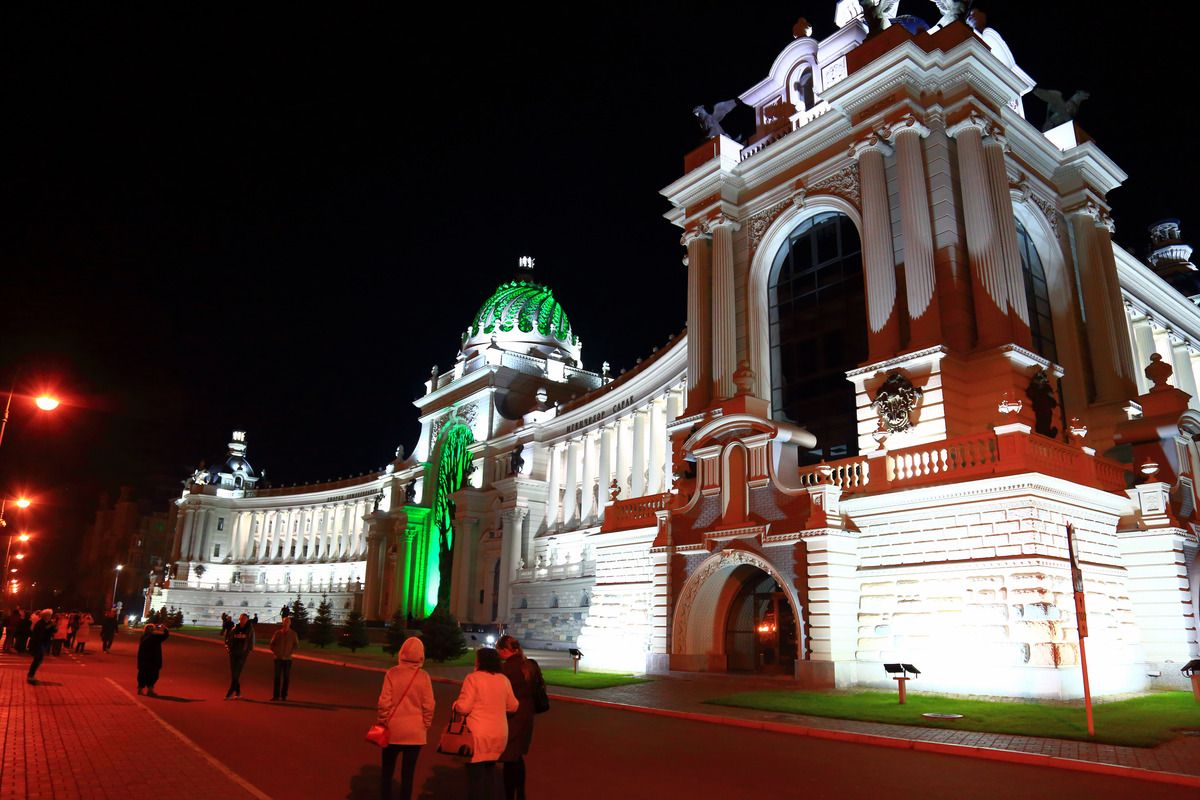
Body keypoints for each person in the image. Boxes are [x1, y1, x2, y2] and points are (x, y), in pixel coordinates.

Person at [452, 647, 518, 800]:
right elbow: (513, 705)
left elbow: (464, 707)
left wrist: (456, 704)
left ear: (480, 661)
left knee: (475, 780)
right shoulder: (503, 680)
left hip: (477, 736)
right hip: (499, 735)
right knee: (489, 775)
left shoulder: (473, 678)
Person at [376, 636, 435, 800]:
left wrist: (383, 720)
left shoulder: (392, 673)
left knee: (387, 772)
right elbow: (429, 705)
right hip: (415, 732)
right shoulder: (424, 677)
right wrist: (426, 724)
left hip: (393, 729)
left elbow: (384, 702)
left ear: (402, 652)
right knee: (408, 775)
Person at [496, 635, 542, 800]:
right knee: (518, 757)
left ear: (503, 650)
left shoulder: (507, 669)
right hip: (527, 715)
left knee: (509, 758)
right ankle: (521, 792)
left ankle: (510, 795)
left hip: (512, 715)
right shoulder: (528, 665)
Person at [224, 612, 254, 699]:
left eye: (244, 619)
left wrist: (248, 650)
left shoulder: (250, 629)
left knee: (237, 672)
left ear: (247, 620)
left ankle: (230, 691)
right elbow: (229, 638)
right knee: (234, 673)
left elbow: (251, 641)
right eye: (241, 618)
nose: (242, 620)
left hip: (242, 654)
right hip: (233, 653)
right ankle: (238, 692)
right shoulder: (235, 628)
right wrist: (229, 649)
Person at [268, 616, 299, 701]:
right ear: (282, 623)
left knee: (286, 677)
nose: (286, 623)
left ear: (290, 623)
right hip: (278, 658)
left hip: (288, 659)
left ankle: (284, 695)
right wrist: (275, 652)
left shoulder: (293, 634)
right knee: (277, 677)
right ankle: (276, 695)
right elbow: (272, 644)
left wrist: (290, 652)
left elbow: (296, 645)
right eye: (285, 622)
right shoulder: (278, 633)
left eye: (288, 622)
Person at [136, 622, 170, 695]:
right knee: (153, 675)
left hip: (143, 660)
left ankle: (140, 689)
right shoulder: (154, 637)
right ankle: (150, 690)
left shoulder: (143, 637)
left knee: (142, 674)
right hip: (153, 660)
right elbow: (165, 636)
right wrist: (165, 629)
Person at [27, 609, 54, 684]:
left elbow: (50, 631)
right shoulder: (41, 623)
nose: (50, 617)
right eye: (49, 615)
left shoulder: (46, 623)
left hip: (42, 644)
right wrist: (49, 627)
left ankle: (31, 675)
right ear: (45, 616)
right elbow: (40, 633)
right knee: (37, 660)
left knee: (38, 660)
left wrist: (52, 627)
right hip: (38, 644)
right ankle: (30, 675)